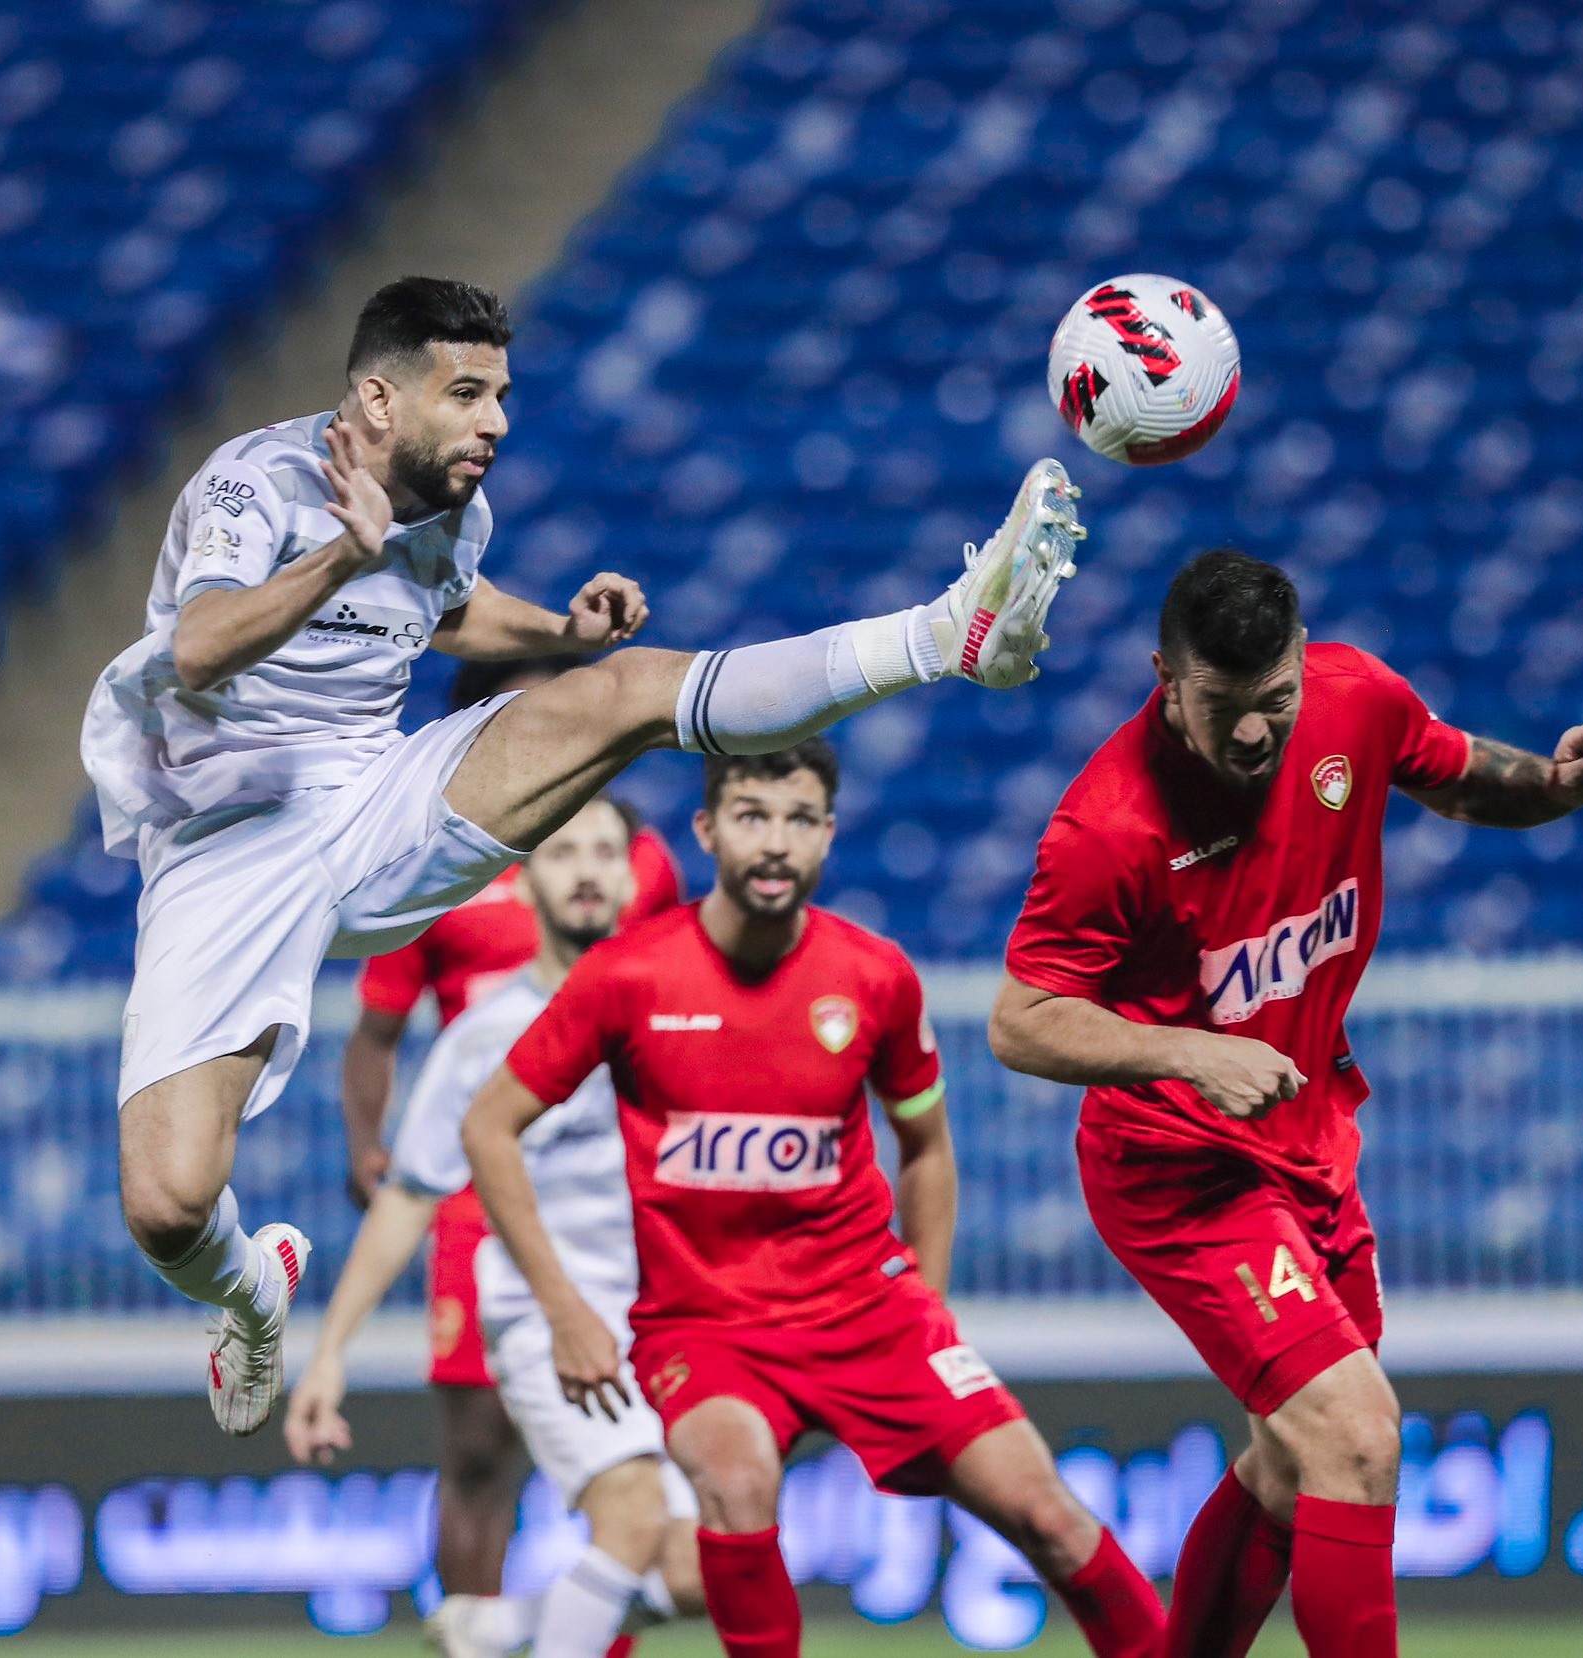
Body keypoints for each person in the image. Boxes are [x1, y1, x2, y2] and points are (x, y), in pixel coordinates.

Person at [80, 273, 1085, 1433]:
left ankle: (947, 630)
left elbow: (443, 611)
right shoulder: (254, 483)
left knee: (621, 694)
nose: (495, 421)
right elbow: (197, 646)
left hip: (370, 793)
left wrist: (558, 634)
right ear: (374, 397)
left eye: (502, 394)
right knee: (166, 1204)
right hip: (225, 836)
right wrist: (337, 560)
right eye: (465, 393)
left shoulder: (454, 504)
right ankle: (252, 1292)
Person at [988, 550, 1583, 1658]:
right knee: (1354, 1434)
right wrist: (1184, 1052)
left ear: (1303, 660)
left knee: (1293, 1467)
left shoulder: (1356, 697)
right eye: (1222, 708)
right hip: (1178, 1168)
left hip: (1309, 1145)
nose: (1254, 735)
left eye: (1275, 702)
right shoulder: (1107, 825)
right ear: (1163, 675)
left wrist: (1560, 784)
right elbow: (1020, 1018)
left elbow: (1458, 777)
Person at [461, 740, 1165, 1658]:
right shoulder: (629, 977)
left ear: (828, 837)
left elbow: (926, 1149)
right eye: (753, 817)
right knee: (737, 1482)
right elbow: (488, 1127)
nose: (776, 843)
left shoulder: (873, 977)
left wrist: (928, 1308)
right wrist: (565, 1314)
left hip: (869, 1311)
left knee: (1052, 1518)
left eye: (799, 821)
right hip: (704, 1326)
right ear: (709, 830)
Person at [286, 795, 703, 1658]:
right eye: (562, 853)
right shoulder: (484, 1040)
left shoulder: (676, 1018)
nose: (586, 869)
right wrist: (329, 1355)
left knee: (705, 1571)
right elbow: (409, 1196)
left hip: (665, 1322)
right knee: (628, 1516)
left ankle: (503, 1628)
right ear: (524, 886)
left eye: (603, 852)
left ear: (635, 877)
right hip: (547, 1325)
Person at [339, 654, 683, 1606]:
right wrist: (370, 1147)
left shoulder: (632, 856)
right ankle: (473, 1629)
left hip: (605, 1193)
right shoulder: (432, 862)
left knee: (627, 1435)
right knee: (481, 1449)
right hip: (475, 1186)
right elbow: (376, 1033)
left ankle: (589, 1617)